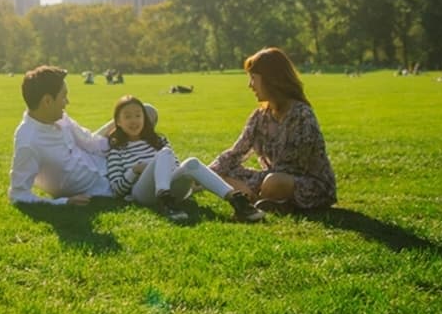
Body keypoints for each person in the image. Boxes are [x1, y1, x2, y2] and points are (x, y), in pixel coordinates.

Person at [210, 47, 337, 214]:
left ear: (270, 80)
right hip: (270, 179)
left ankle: (257, 199)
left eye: (253, 78)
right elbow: (236, 153)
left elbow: (291, 169)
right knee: (223, 173)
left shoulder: (301, 115)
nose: (250, 85)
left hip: (306, 184)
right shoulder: (259, 116)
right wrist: (207, 173)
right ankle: (265, 202)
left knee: (273, 182)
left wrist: (254, 181)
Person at [105, 96, 264, 222]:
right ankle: (165, 200)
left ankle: (236, 201)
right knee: (164, 153)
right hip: (142, 194)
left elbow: (174, 167)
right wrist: (135, 170)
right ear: (118, 122)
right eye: (127, 117)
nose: (134, 121)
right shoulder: (116, 151)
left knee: (191, 162)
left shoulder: (158, 141)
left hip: (172, 190)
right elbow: (116, 190)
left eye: (138, 115)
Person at [9, 65, 114, 205]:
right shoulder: (28, 142)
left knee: (146, 111)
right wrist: (63, 202)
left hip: (107, 162)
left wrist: (119, 145)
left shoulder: (60, 117)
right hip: (106, 184)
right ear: (47, 101)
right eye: (63, 97)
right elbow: (18, 195)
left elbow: (89, 141)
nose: (67, 102)